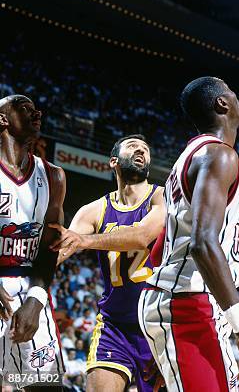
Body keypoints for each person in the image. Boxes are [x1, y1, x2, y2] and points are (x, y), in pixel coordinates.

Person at [139, 77, 239, 392]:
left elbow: (166, 245)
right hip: (188, 304)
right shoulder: (217, 155)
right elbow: (202, 243)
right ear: (222, 103)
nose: (238, 96)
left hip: (187, 304)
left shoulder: (193, 157)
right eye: (231, 91)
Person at [50, 134, 164, 392]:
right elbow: (60, 251)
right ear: (114, 161)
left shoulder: (162, 197)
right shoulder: (93, 211)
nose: (141, 151)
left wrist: (85, 241)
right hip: (115, 326)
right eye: (133, 146)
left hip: (159, 328)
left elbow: (142, 236)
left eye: (145, 149)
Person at [0, 95, 66, 381]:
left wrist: (36, 300)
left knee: (44, 384)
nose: (36, 113)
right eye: (24, 108)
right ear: (2, 119)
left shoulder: (54, 176)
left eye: (36, 109)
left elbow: (50, 247)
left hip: (28, 288)